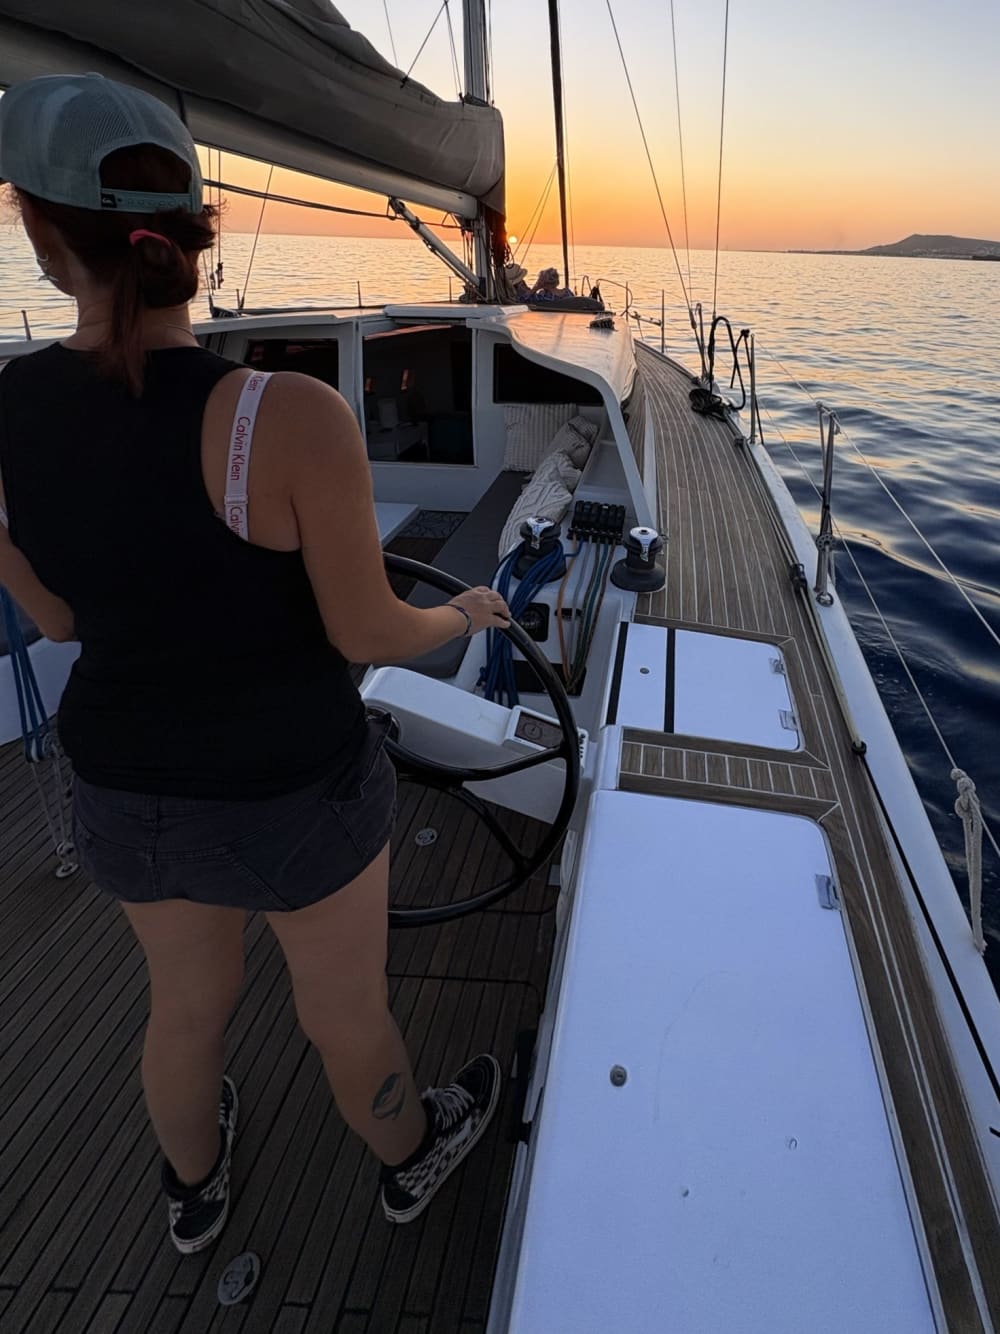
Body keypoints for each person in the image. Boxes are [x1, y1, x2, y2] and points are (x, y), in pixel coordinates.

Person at [0, 74, 511, 1255]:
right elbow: (371, 633)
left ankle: (194, 1188)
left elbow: (64, 624)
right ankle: (407, 1154)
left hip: (125, 785)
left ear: (39, 233)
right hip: (297, 792)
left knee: (183, 1006)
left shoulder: (13, 401)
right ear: (194, 234)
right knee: (343, 1011)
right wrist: (469, 614)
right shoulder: (280, 415)